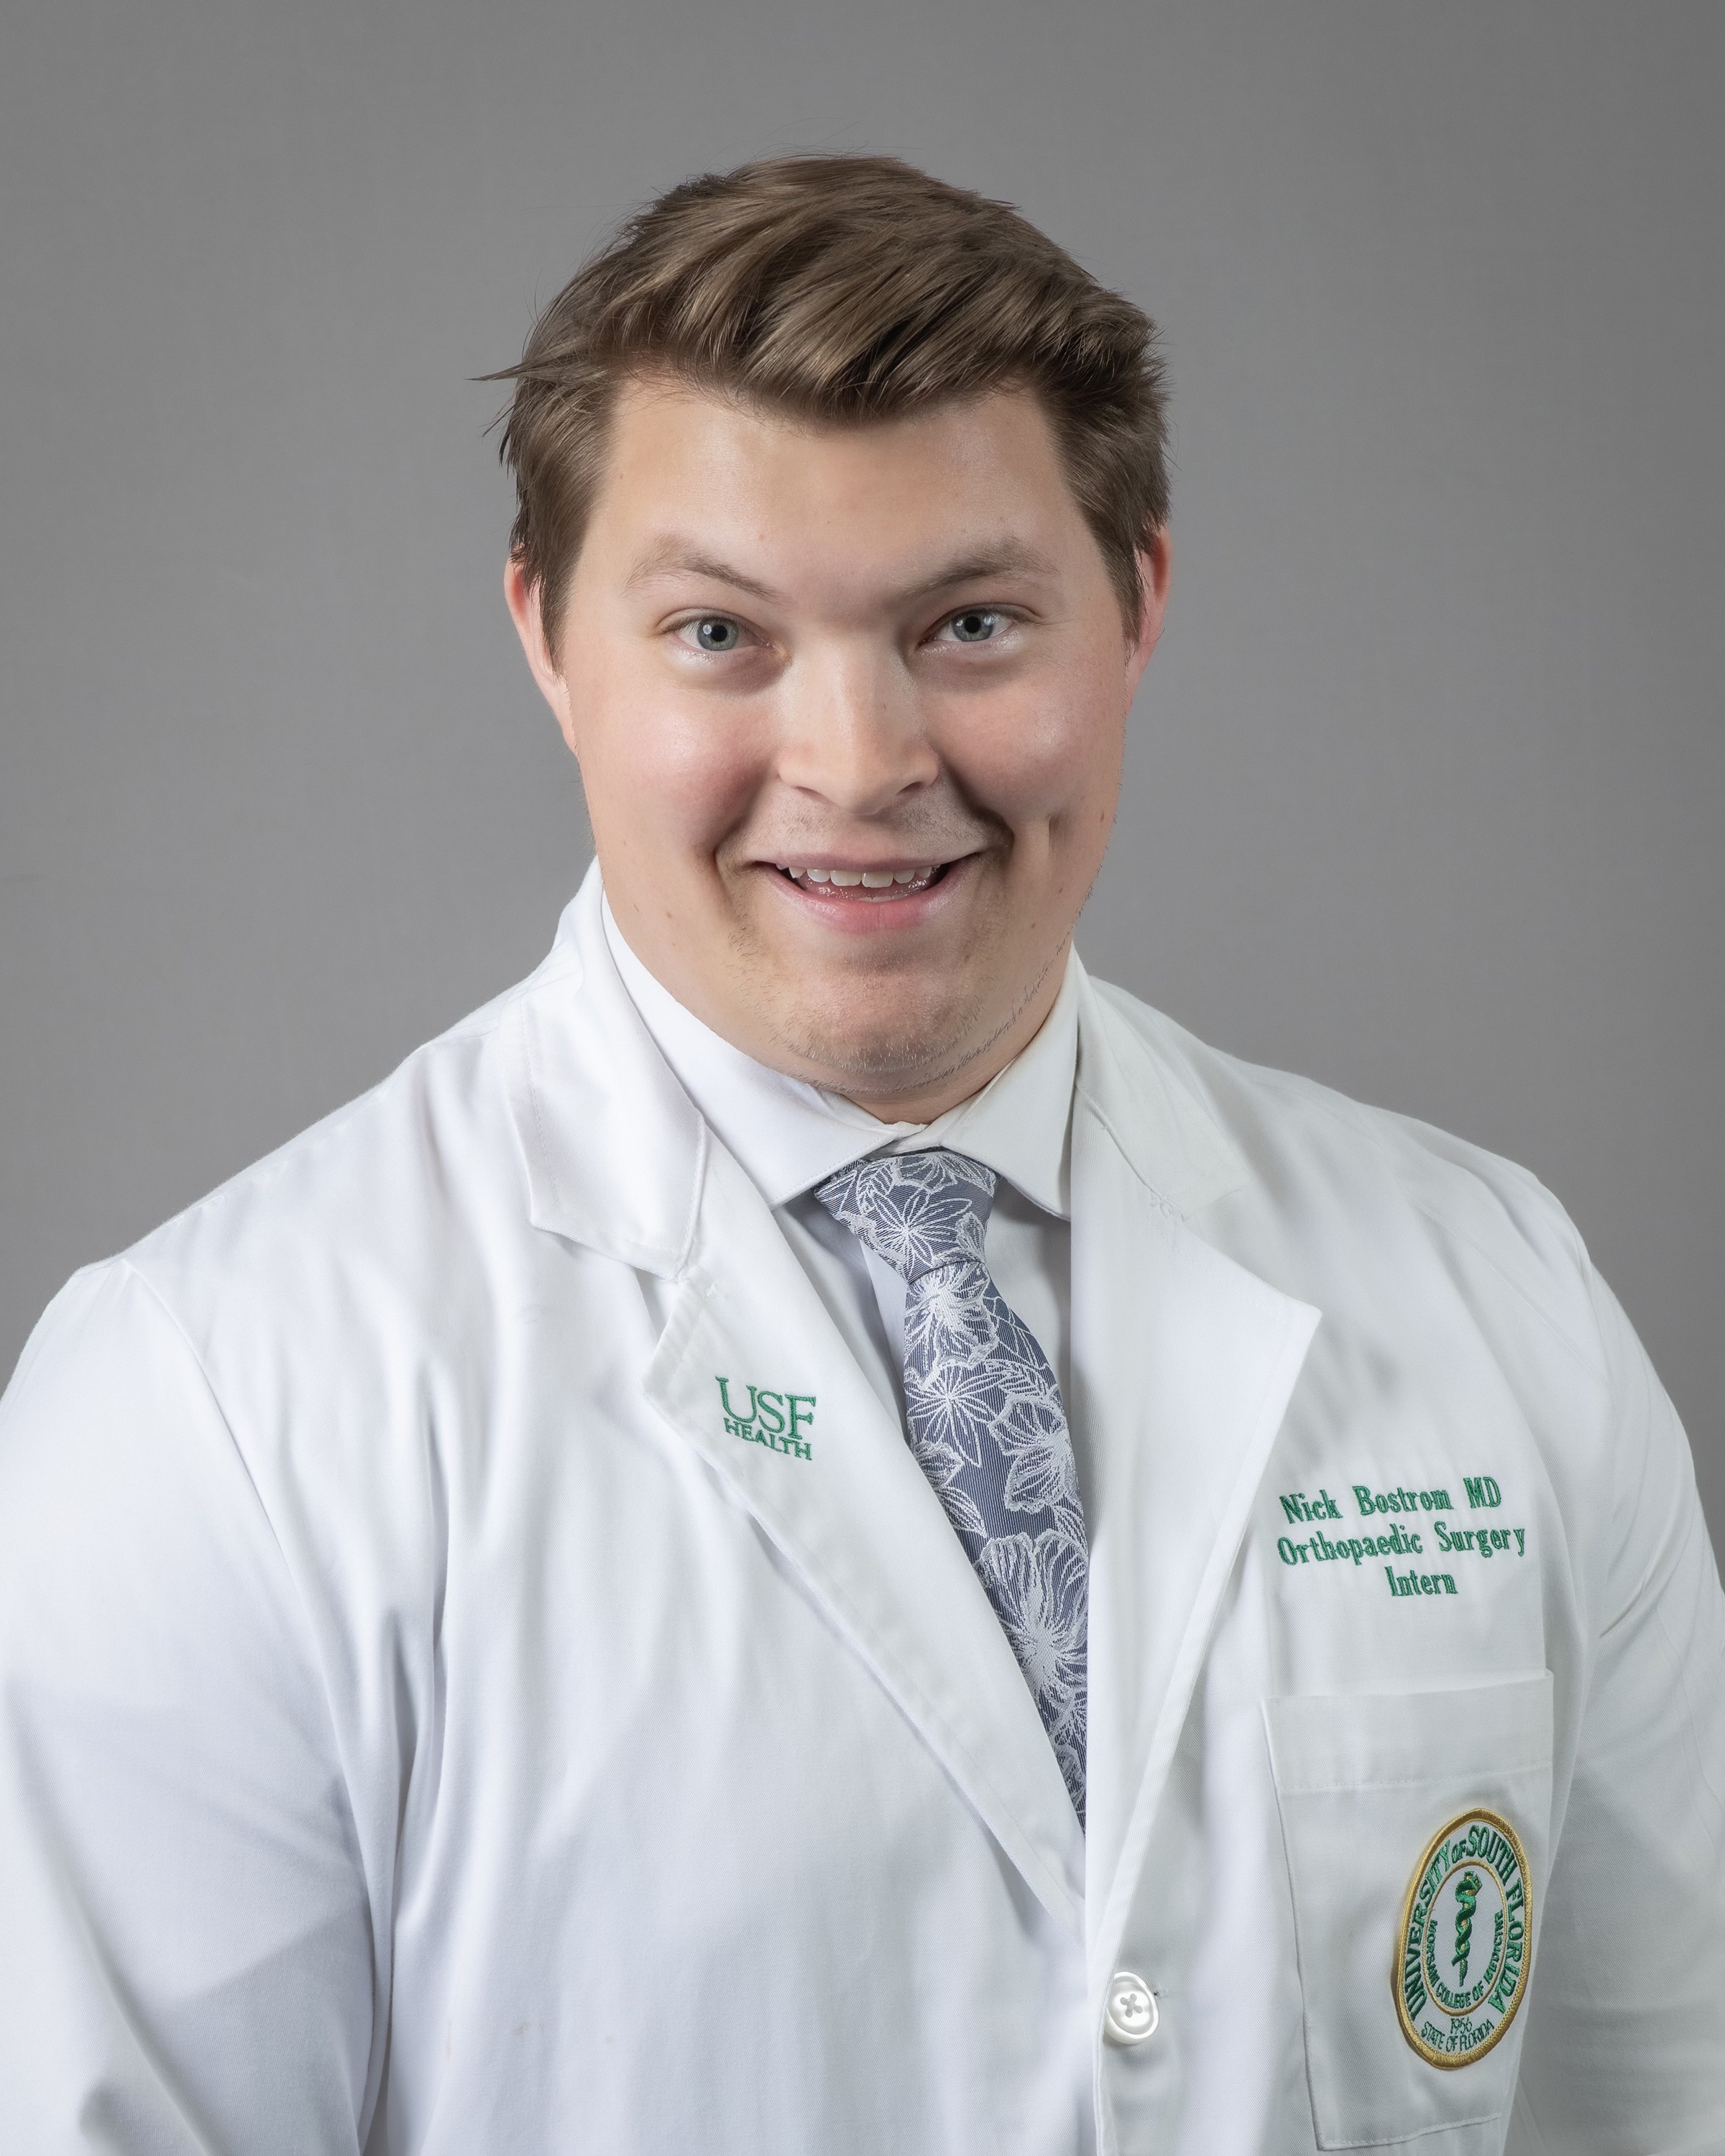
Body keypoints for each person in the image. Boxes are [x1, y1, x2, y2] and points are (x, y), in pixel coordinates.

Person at [0, 153, 1719, 2156]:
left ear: (1138, 605)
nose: (862, 763)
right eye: (719, 634)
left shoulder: (1496, 1295)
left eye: (972, 623)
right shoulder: (211, 1413)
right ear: (549, 639)